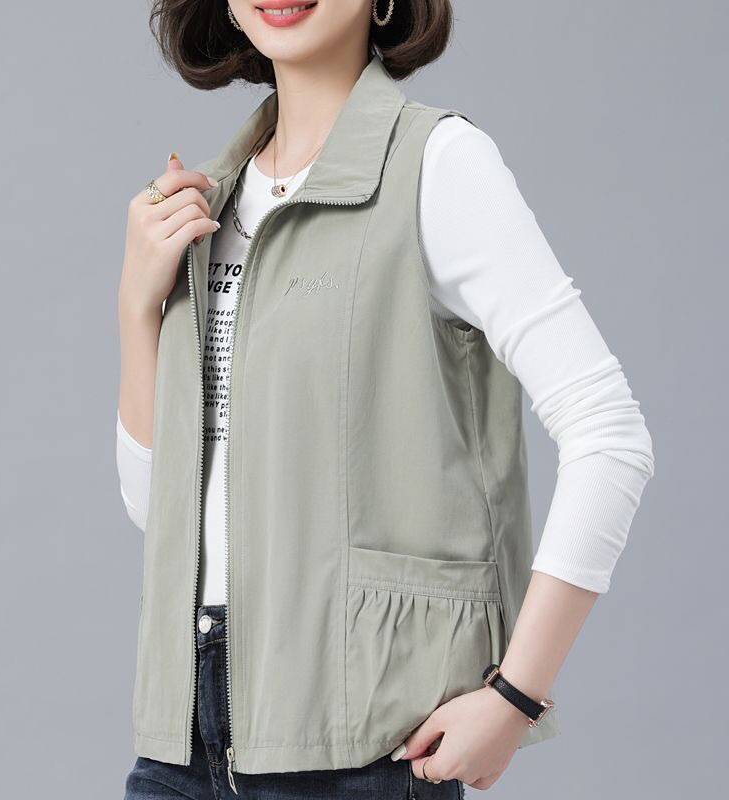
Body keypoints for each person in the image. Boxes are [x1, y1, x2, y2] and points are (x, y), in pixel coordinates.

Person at [115, 1, 655, 797]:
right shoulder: (207, 203)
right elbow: (158, 513)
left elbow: (610, 435)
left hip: (362, 740)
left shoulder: (438, 166)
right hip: (182, 740)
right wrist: (137, 307)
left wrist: (515, 694)